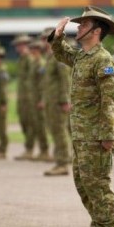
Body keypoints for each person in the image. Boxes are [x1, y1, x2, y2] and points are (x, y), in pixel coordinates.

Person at [49, 6, 114, 227]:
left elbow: (109, 100)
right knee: (83, 184)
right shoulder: (83, 57)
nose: (78, 27)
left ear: (96, 30)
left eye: (83, 24)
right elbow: (61, 53)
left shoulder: (103, 59)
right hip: (81, 135)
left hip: (95, 136)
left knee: (98, 184)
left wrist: (108, 135)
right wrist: (57, 35)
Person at [40, 28, 73, 176]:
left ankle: (63, 164)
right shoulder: (49, 57)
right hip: (51, 101)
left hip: (59, 102)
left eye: (47, 38)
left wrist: (65, 100)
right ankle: (61, 159)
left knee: (60, 131)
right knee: (55, 130)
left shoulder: (58, 57)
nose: (44, 42)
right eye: (43, 39)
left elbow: (64, 80)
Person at [12, 34, 35, 161]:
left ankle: (30, 149)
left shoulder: (29, 58)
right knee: (23, 122)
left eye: (20, 45)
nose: (18, 48)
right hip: (22, 96)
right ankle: (28, 148)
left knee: (30, 123)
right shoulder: (21, 59)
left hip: (29, 96)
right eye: (17, 46)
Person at [27, 40, 51, 161]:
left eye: (33, 49)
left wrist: (42, 99)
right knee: (37, 125)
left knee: (41, 126)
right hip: (34, 99)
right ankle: (42, 151)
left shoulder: (41, 64)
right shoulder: (34, 63)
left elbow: (43, 84)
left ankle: (45, 151)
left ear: (38, 50)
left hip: (39, 99)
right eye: (31, 49)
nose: (31, 51)